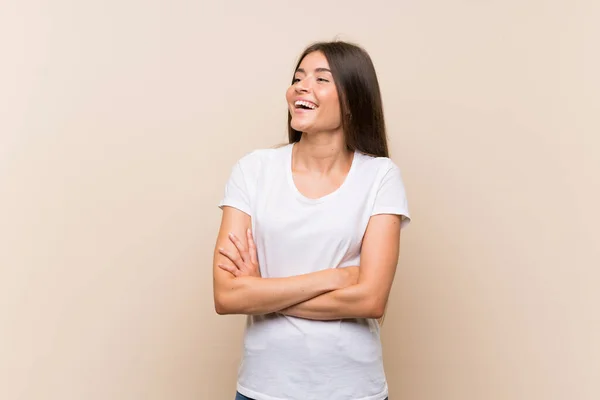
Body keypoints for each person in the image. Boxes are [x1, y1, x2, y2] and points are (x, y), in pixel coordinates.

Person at [213, 41, 411, 400]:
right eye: (298, 77)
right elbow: (227, 295)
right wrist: (334, 277)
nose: (301, 87)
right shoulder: (253, 170)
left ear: (353, 99)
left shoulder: (380, 176)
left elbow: (371, 300)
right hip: (264, 387)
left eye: (321, 79)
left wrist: (260, 292)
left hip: (352, 390)